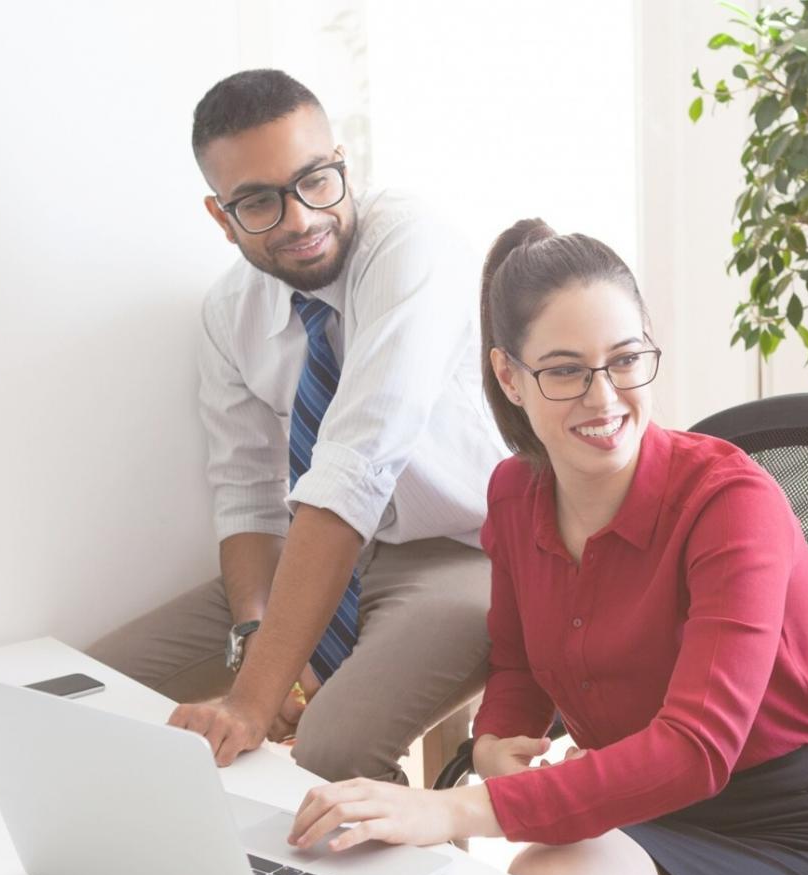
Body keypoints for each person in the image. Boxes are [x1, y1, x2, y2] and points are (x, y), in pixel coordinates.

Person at [287, 219, 808, 875]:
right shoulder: (513, 494)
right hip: (634, 814)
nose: (603, 397)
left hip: (791, 835)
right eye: (565, 371)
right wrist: (494, 742)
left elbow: (695, 748)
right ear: (508, 377)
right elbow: (513, 664)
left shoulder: (730, 502)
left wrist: (453, 809)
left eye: (625, 360)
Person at [86, 69, 507, 783]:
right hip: (321, 550)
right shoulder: (228, 315)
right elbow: (247, 494)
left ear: (343, 163)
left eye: (315, 180)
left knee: (333, 752)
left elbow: (356, 466)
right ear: (221, 217)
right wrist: (255, 633)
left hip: (467, 549)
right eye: (258, 201)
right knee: (89, 694)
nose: (301, 218)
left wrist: (253, 699)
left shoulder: (411, 246)